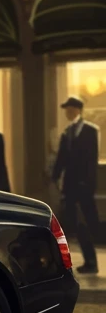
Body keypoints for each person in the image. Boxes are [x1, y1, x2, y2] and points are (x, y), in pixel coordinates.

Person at [52, 96, 99, 274]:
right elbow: (62, 157)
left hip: (84, 186)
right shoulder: (68, 132)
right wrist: (55, 175)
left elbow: (92, 159)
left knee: (88, 223)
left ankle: (91, 261)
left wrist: (89, 183)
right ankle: (71, 262)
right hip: (70, 186)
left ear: (77, 110)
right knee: (71, 224)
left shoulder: (89, 131)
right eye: (66, 109)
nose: (67, 112)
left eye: (69, 109)